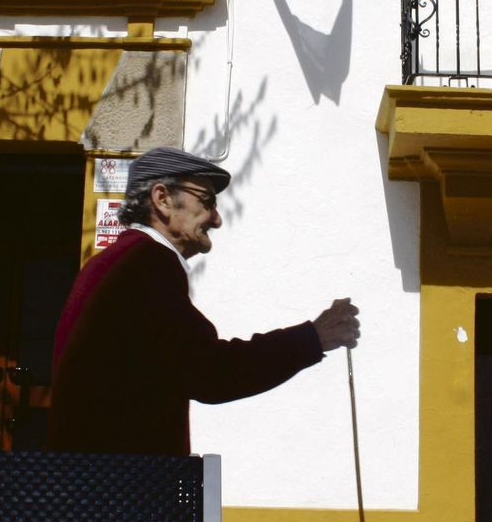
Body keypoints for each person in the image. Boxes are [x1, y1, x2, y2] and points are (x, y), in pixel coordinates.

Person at [48, 146, 360, 456]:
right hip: (120, 489)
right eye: (207, 202)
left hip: (96, 482)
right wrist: (313, 338)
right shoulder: (148, 262)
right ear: (162, 199)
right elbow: (211, 371)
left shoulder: (117, 261)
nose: (216, 218)